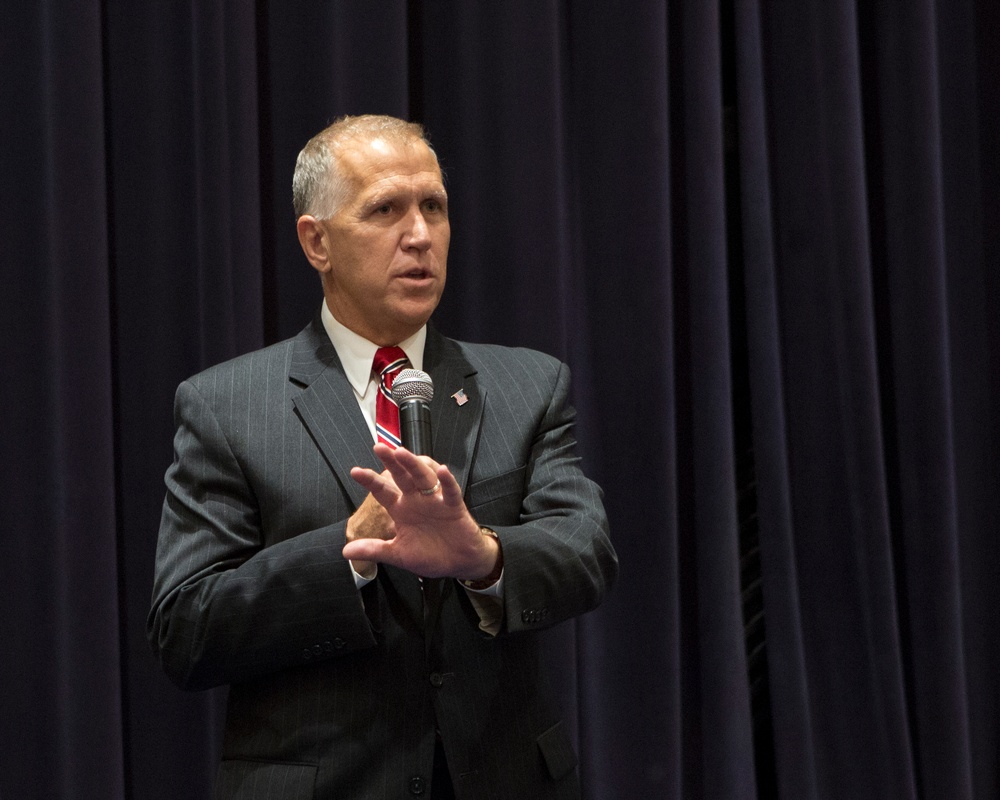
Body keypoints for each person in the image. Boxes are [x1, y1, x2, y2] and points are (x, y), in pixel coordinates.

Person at [148, 114, 617, 800]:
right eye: (385, 210)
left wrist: (481, 557)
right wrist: (351, 546)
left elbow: (586, 554)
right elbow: (187, 629)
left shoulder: (529, 386)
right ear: (317, 242)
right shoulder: (227, 405)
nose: (420, 235)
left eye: (434, 207)